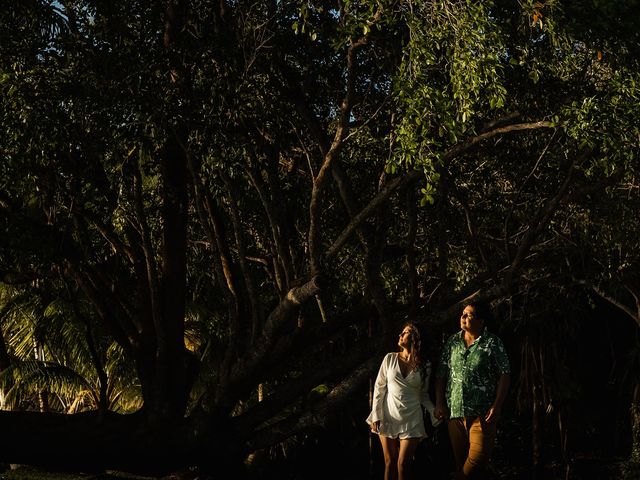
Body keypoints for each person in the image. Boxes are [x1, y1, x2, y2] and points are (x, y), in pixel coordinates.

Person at [434, 300, 511, 479]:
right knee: (461, 464)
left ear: (481, 321)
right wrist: (439, 403)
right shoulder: (453, 341)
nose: (463, 317)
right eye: (463, 314)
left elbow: (505, 374)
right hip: (455, 413)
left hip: (482, 414)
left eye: (469, 315)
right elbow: (440, 374)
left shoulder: (492, 342)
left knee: (476, 463)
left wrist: (497, 405)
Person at [366, 322, 440, 480]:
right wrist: (375, 414)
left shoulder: (425, 365)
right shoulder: (390, 358)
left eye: (404, 333)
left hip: (412, 417)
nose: (400, 335)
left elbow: (423, 394)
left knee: (403, 464)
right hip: (387, 415)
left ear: (414, 338)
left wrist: (434, 410)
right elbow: (379, 388)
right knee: (390, 462)